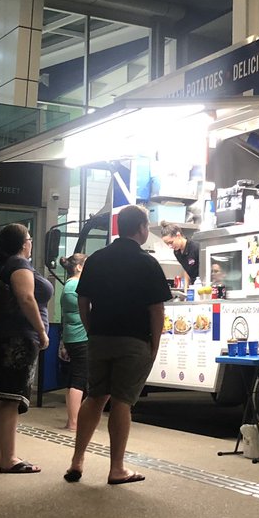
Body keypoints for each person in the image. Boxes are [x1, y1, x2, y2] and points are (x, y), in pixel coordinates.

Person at [66, 204, 171, 485]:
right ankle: (117, 469)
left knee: (96, 396)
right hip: (134, 340)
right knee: (122, 401)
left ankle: (77, 461)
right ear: (141, 228)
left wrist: (91, 329)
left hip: (100, 338)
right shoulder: (147, 263)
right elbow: (156, 309)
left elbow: (82, 300)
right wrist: (155, 343)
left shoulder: (97, 259)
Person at [0, 223, 51, 474]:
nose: (30, 242)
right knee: (9, 401)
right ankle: (9, 458)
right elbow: (26, 297)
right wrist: (41, 331)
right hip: (17, 338)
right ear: (23, 243)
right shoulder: (19, 265)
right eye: (29, 238)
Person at [57, 253, 89, 431]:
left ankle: (71, 421)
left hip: (71, 337)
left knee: (72, 379)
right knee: (79, 379)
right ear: (79, 267)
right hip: (81, 337)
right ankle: (74, 423)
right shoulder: (76, 285)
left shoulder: (68, 285)